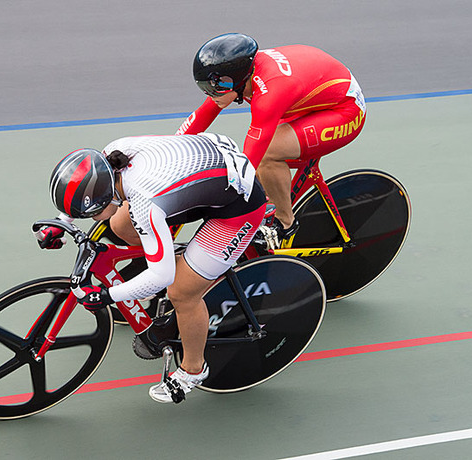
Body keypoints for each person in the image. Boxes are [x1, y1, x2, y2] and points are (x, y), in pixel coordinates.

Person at [38, 133, 266, 403]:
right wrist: (60, 219)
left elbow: (162, 277)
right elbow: (84, 188)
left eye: (88, 214)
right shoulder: (112, 153)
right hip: (213, 169)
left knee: (181, 291)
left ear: (103, 200)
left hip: (239, 207)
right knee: (120, 225)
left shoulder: (145, 202)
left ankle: (193, 370)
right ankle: (177, 256)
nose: (87, 218)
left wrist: (108, 296)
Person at [177, 33, 367, 249]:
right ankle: (271, 197)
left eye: (216, 87)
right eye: (205, 87)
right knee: (256, 161)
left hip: (344, 110)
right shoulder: (241, 75)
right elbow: (203, 114)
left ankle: (285, 222)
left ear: (238, 79)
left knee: (267, 153)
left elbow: (250, 159)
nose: (211, 93)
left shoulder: (269, 94)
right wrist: (169, 149)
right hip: (309, 95)